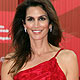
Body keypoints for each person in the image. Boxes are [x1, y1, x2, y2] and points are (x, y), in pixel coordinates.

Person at [1, 0, 79, 80]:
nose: (36, 25)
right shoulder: (11, 62)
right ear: (24, 24)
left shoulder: (67, 57)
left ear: (50, 24)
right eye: (30, 19)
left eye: (41, 19)